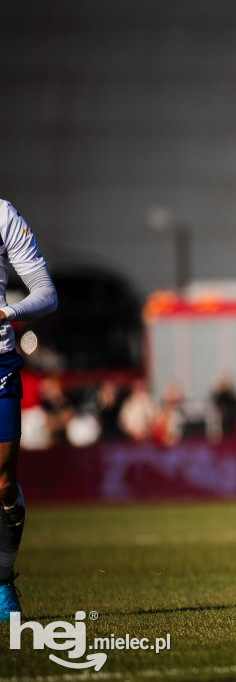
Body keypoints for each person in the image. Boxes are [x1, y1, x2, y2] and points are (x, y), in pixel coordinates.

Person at [0, 200, 59, 622]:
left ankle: (3, 583)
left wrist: (6, 312)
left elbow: (46, 293)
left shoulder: (3, 214)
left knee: (4, 486)